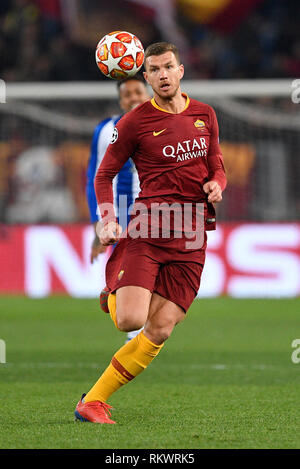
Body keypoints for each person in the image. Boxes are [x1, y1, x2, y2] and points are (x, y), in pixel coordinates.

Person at [75, 42, 226, 424]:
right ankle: (113, 293)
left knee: (160, 328)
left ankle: (92, 402)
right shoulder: (134, 122)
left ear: (180, 70)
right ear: (146, 77)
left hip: (192, 236)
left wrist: (216, 185)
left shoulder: (205, 115)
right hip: (148, 228)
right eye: (154, 70)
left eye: (167, 67)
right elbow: (104, 173)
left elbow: (217, 166)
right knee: (129, 322)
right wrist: (107, 218)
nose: (162, 75)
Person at [86, 76, 149, 343]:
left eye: (138, 92)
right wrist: (98, 223)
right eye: (127, 94)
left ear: (148, 93)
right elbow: (96, 176)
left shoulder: (167, 122)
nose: (133, 97)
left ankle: (113, 295)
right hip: (124, 216)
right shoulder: (107, 129)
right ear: (120, 100)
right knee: (135, 274)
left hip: (162, 212)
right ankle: (135, 335)